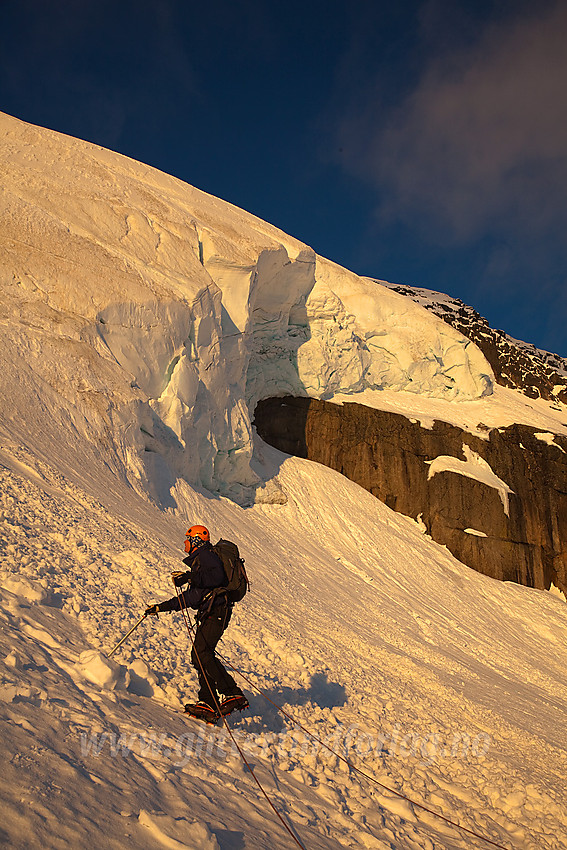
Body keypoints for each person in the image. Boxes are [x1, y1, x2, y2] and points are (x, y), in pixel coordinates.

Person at [145, 524, 248, 721]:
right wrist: (161, 607)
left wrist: (189, 576)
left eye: (187, 537)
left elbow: (217, 576)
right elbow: (193, 597)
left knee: (201, 652)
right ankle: (209, 702)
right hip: (214, 613)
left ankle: (232, 693)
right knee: (201, 654)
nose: (184, 541)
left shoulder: (206, 555)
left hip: (216, 612)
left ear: (196, 540)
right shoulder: (202, 562)